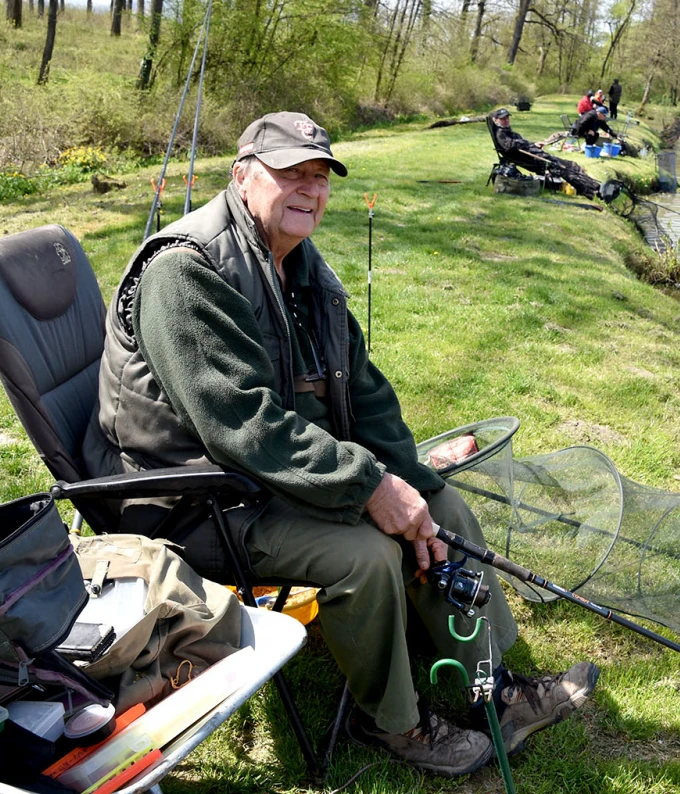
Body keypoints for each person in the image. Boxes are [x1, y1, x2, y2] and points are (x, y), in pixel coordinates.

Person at [82, 111, 600, 777]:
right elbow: (241, 424)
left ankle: (499, 690)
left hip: (265, 478)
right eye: (290, 172)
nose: (310, 189)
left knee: (445, 509)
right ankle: (395, 725)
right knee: (365, 553)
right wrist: (370, 488)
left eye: (321, 176)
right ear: (242, 176)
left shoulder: (299, 265)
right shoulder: (185, 271)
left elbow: (364, 391)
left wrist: (412, 481)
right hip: (193, 500)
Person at [488, 108, 601, 198]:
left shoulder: (506, 130)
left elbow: (519, 144)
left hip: (536, 153)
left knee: (571, 165)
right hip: (535, 160)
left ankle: (593, 185)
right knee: (563, 168)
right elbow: (509, 146)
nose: (506, 120)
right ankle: (589, 190)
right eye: (503, 119)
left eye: (507, 118)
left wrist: (533, 144)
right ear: (496, 120)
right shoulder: (501, 133)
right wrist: (526, 144)